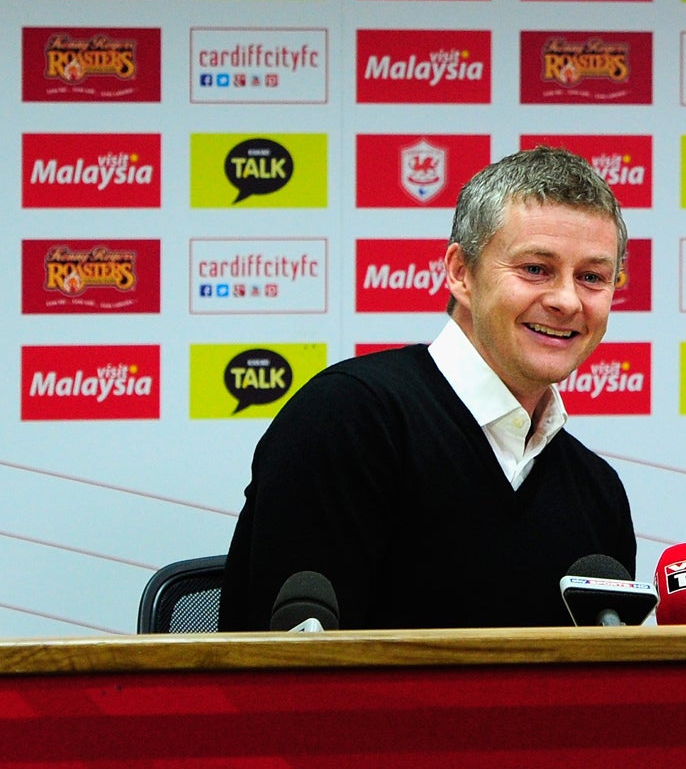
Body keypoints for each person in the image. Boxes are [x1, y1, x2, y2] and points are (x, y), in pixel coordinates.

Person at [218, 146, 636, 629]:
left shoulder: (598, 492)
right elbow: (278, 678)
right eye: (535, 269)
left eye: (591, 277)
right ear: (461, 272)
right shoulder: (345, 421)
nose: (566, 300)